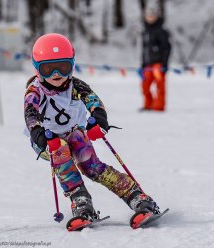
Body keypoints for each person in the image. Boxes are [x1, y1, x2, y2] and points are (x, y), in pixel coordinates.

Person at [24, 33, 159, 228]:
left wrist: (98, 121)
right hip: (46, 139)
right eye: (48, 68)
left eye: (63, 67)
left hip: (73, 131)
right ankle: (81, 203)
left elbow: (93, 101)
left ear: (72, 64)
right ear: (37, 69)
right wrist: (38, 135)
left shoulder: (75, 85)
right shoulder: (35, 91)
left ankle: (137, 197)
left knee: (91, 166)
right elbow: (30, 114)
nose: (56, 74)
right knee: (61, 154)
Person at [140, 7, 171, 112]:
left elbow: (166, 48)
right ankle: (148, 105)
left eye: (152, 16)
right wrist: (143, 63)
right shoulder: (145, 32)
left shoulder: (161, 31)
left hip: (158, 64)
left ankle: (158, 106)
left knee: (159, 85)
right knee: (145, 85)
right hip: (147, 65)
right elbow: (144, 50)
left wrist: (164, 64)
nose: (150, 18)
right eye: (148, 16)